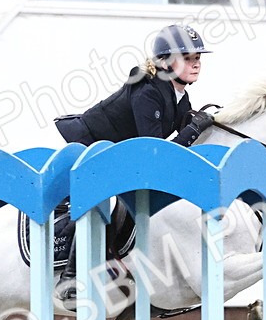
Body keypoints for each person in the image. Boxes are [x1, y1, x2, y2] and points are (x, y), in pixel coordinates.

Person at [52, 23, 216, 305]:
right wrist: (192, 130)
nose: (196, 64)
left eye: (198, 58)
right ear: (165, 62)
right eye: (187, 58)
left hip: (119, 153)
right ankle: (70, 277)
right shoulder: (146, 90)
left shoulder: (180, 96)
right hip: (89, 147)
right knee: (107, 197)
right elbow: (154, 152)